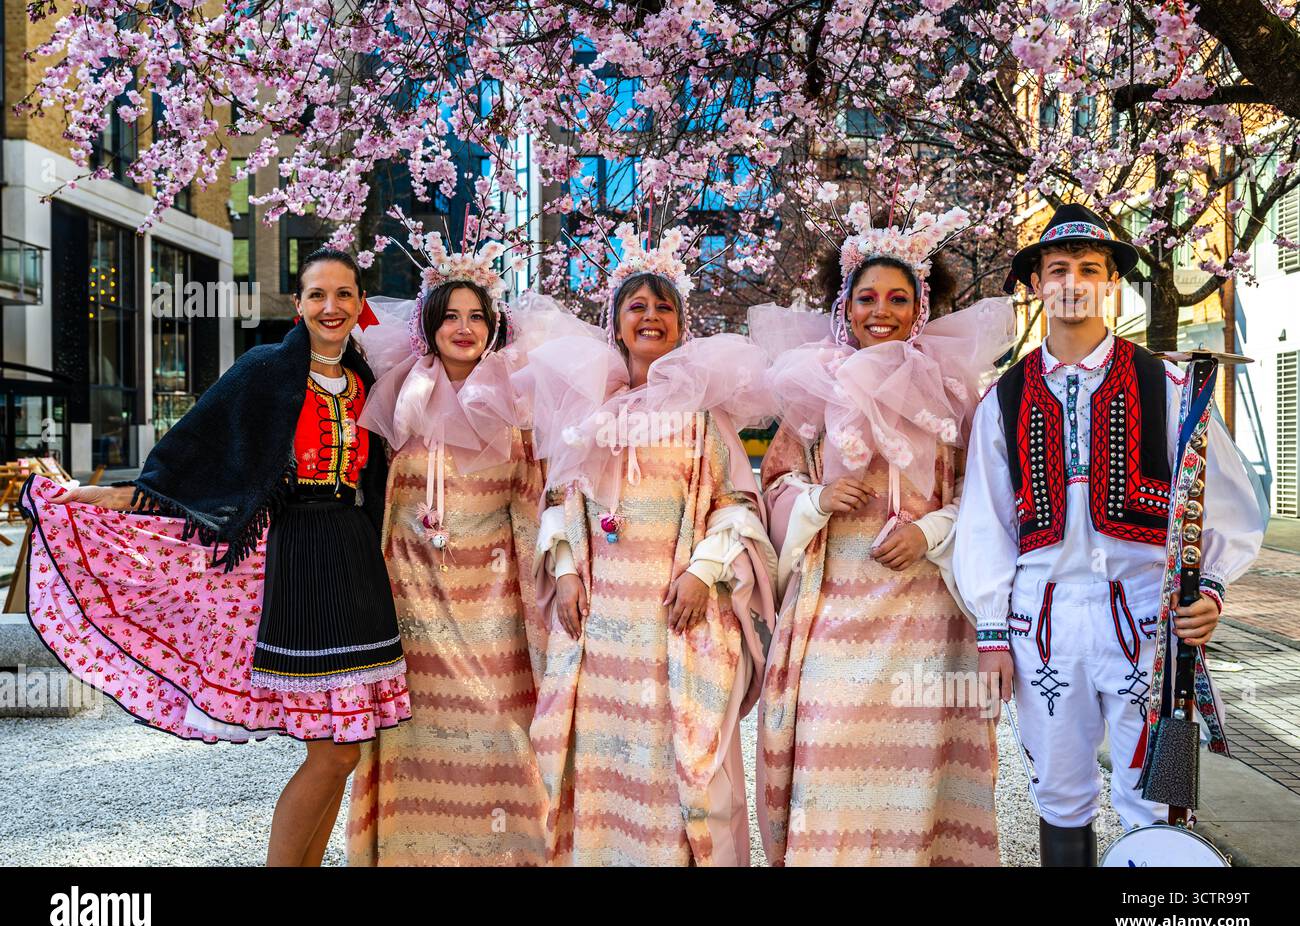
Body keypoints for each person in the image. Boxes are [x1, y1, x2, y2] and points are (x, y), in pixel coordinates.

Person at [22, 248, 409, 867]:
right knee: (332, 750)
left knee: (348, 745)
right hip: (295, 558)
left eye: (343, 294)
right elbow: (195, 453)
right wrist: (111, 495)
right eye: (317, 294)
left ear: (361, 303)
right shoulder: (264, 370)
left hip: (354, 557)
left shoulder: (367, 379)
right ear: (299, 303)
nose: (331, 307)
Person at [953, 202, 1266, 865]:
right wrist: (991, 631)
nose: (1072, 281)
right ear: (1036, 283)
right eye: (1057, 267)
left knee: (1156, 793)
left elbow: (1229, 504)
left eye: (1089, 269)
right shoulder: (1002, 398)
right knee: (1058, 791)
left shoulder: (1173, 382)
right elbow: (985, 522)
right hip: (1042, 617)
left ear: (1111, 284)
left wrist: (1209, 587)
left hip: (1146, 615)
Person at [751, 199, 1012, 866]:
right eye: (867, 296)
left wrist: (930, 532)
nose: (882, 311)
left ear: (921, 307)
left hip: (927, 621)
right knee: (830, 768)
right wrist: (815, 498)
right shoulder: (809, 392)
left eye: (899, 297)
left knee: (916, 780)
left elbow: (986, 502)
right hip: (835, 613)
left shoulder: (959, 397)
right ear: (845, 305)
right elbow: (774, 486)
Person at [526, 223, 777, 866]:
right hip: (604, 627)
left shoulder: (702, 417)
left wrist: (704, 571)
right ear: (616, 325)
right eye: (637, 306)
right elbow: (561, 500)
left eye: (664, 306)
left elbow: (738, 506)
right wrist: (567, 574)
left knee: (675, 766)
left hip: (674, 621)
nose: (651, 316)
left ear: (681, 325)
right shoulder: (592, 414)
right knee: (604, 759)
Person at [344, 235, 550, 865]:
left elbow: (534, 501)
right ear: (428, 326)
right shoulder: (394, 398)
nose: (463, 328)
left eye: (476, 316)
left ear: (495, 326)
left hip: (492, 602)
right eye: (450, 316)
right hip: (410, 601)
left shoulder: (520, 402)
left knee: (497, 729)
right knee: (414, 734)